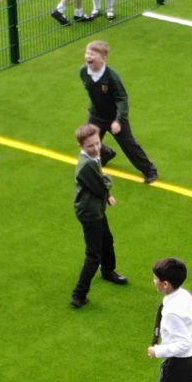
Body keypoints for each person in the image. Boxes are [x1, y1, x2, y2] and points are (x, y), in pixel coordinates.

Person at [78, 40, 157, 183]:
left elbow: (122, 98)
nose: (88, 56)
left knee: (129, 145)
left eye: (92, 54)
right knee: (88, 140)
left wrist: (119, 120)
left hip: (115, 117)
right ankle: (106, 154)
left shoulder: (112, 77)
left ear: (103, 58)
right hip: (96, 115)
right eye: (87, 53)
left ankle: (150, 170)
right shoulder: (83, 72)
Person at [70, 122, 126, 306]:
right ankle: (79, 294)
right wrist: (108, 183)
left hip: (96, 208)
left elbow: (101, 184)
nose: (95, 148)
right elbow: (101, 184)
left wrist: (107, 194)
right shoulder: (86, 166)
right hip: (90, 212)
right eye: (90, 146)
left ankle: (109, 271)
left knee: (107, 240)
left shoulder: (93, 157)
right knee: (94, 255)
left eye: (97, 143)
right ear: (81, 146)